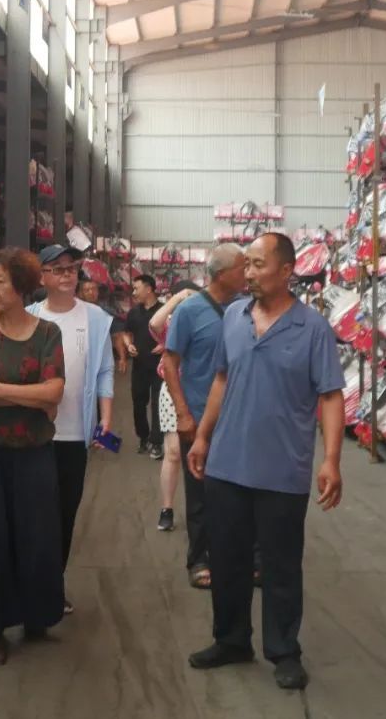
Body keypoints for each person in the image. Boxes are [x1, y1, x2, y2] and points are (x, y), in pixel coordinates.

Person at [186, 233, 344, 691]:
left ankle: (284, 650)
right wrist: (202, 436)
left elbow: (330, 396)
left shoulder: (312, 328)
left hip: (282, 470)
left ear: (286, 270)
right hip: (227, 465)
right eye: (247, 265)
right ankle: (231, 639)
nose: (249, 273)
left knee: (280, 566)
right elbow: (221, 378)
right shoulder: (233, 317)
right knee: (228, 560)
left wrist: (332, 460)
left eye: (258, 264)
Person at [0, 247, 66, 665]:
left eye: (0, 281)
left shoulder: (47, 333)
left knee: (37, 537)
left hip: (33, 453)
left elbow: (55, 392)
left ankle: (36, 616)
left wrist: (0, 390)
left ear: (21, 287)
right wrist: (31, 396)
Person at [29, 245, 115, 615]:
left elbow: (104, 370)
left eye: (71, 268)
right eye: (57, 268)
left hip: (75, 436)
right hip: (34, 436)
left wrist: (105, 419)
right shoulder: (30, 317)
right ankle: (29, 586)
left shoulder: (95, 318)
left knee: (64, 514)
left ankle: (52, 587)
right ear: (41, 277)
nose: (67, 275)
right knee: (35, 514)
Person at [164, 245, 246, 589]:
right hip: (199, 418)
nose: (248, 273)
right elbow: (170, 362)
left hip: (240, 418)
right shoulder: (190, 311)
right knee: (200, 492)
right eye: (243, 267)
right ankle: (199, 558)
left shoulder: (247, 308)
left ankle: (240, 556)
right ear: (222, 274)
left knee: (241, 491)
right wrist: (182, 413)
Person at [146, 281, 199, 527]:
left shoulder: (206, 322)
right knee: (174, 452)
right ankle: (166, 508)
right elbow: (154, 323)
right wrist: (178, 298)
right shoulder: (171, 325)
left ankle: (201, 511)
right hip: (171, 390)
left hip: (202, 391)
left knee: (202, 451)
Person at [123, 275, 162, 455]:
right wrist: (128, 345)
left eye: (136, 288)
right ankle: (143, 437)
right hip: (139, 366)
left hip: (159, 367)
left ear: (148, 289)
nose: (133, 292)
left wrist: (165, 345)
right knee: (138, 403)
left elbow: (174, 333)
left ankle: (156, 441)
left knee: (157, 404)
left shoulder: (163, 310)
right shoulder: (134, 313)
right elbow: (126, 333)